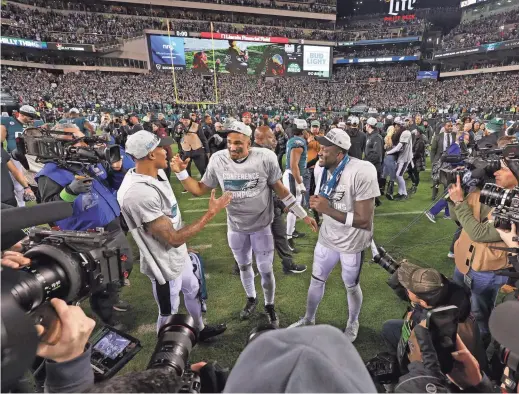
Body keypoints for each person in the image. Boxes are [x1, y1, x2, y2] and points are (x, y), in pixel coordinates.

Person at [172, 121, 318, 327]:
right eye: (229, 142)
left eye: (238, 142)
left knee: (266, 270)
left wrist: (303, 215)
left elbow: (282, 191)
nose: (232, 147)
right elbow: (198, 189)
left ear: (249, 142)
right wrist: (181, 173)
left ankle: (269, 304)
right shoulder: (218, 159)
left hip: (261, 226)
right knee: (244, 266)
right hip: (236, 227)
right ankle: (251, 298)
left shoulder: (265, 158)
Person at [117, 130, 228, 339]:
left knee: (193, 288)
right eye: (161, 148)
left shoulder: (154, 174)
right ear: (151, 154)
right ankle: (165, 356)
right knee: (170, 311)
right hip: (163, 263)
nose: (167, 151)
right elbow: (173, 238)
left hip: (176, 253)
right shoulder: (138, 192)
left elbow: (172, 222)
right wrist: (210, 213)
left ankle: (200, 329)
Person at [35, 123, 134, 328]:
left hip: (112, 224)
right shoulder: (50, 173)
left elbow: (112, 186)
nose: (84, 144)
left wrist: (116, 170)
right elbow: (48, 209)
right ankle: (106, 314)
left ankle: (113, 298)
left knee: (124, 264)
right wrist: (70, 191)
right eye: (78, 140)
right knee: (101, 277)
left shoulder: (85, 163)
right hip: (86, 234)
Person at [289, 128, 379, 343]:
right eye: (319, 147)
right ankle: (309, 319)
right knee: (316, 280)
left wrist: (327, 210)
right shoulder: (321, 169)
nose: (319, 152)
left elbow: (364, 219)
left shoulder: (362, 170)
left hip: (352, 242)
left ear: (340, 154)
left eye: (325, 149)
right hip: (328, 238)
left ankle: (352, 321)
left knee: (350, 284)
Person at [380, 261, 487, 379]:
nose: (406, 289)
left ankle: (401, 373)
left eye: (409, 289)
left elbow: (425, 363)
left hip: (444, 373)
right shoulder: (447, 294)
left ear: (423, 302)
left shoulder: (432, 330)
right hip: (467, 361)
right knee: (389, 327)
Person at [447, 160, 514, 343]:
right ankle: (456, 336)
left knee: (479, 314)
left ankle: (480, 347)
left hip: (487, 269)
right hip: (463, 261)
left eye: (503, 168)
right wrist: (454, 194)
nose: (496, 172)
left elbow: (480, 233)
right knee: (457, 301)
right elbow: (458, 218)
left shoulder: (515, 204)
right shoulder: (488, 189)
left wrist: (460, 202)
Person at [252, 125, 306, 274]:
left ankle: (287, 263)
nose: (275, 140)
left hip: (271, 204)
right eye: (271, 137)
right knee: (254, 237)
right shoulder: (256, 156)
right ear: (259, 138)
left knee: (279, 233)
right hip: (258, 206)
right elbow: (266, 185)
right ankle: (243, 266)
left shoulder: (267, 153)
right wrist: (281, 203)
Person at [0, 105, 43, 206]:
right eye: (30, 116)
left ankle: (25, 201)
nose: (32, 119)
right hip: (14, 157)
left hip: (30, 158)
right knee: (18, 184)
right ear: (22, 114)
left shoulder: (33, 125)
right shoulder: (9, 122)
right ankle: (21, 206)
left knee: (32, 181)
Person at [284, 122, 308, 252]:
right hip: (293, 176)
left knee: (295, 206)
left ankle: (291, 231)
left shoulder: (294, 140)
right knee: (294, 207)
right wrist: (300, 183)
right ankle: (288, 239)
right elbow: (294, 165)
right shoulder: (298, 142)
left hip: (293, 176)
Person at [385, 117, 413, 201]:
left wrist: (388, 152)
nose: (395, 128)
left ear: (399, 125)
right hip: (402, 157)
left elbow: (398, 147)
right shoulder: (403, 132)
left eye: (396, 126)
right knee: (398, 175)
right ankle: (401, 193)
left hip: (405, 157)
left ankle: (404, 193)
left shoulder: (406, 133)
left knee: (399, 175)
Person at [179, 111, 210, 178]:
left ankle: (206, 185)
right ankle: (189, 185)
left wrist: (207, 151)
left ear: (190, 119)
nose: (185, 121)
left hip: (197, 151)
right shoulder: (179, 127)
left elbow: (203, 139)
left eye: (186, 120)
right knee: (186, 170)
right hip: (186, 152)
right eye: (184, 120)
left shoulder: (196, 126)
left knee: (202, 169)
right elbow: (178, 139)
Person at [431, 121, 456, 201]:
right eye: (449, 126)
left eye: (451, 126)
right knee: (436, 179)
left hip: (451, 160)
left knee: (448, 179)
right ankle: (434, 195)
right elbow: (433, 150)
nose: (450, 127)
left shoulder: (455, 136)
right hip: (439, 160)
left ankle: (446, 196)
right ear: (444, 126)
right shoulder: (438, 136)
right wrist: (433, 162)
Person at [364, 117, 384, 207]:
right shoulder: (369, 135)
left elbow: (376, 154)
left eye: (366, 124)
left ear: (368, 125)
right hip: (369, 165)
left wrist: (365, 161)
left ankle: (374, 203)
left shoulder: (376, 137)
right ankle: (376, 202)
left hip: (374, 166)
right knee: (369, 186)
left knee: (370, 186)